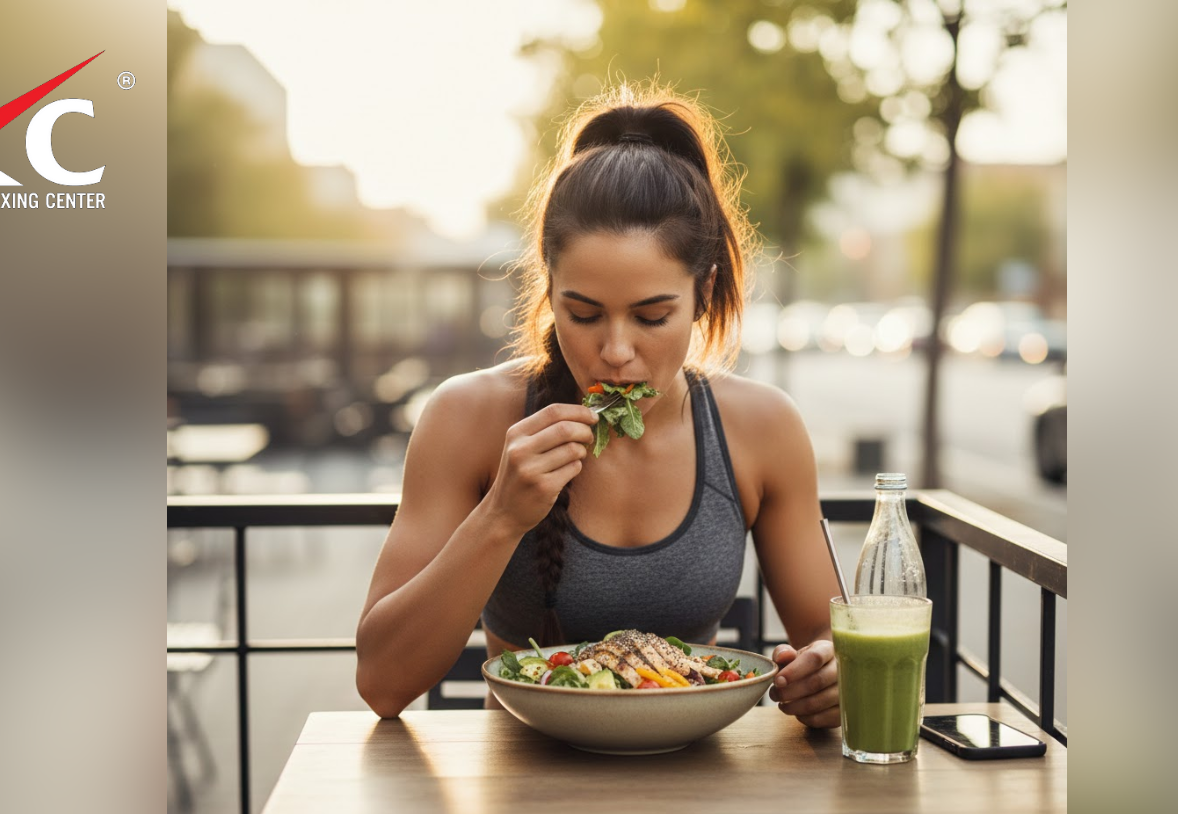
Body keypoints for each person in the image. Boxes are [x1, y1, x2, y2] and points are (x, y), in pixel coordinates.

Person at [355, 85, 842, 727]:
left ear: (705, 291)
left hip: (703, 790)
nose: (615, 351)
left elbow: (830, 641)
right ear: (549, 288)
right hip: (522, 788)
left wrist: (830, 676)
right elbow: (382, 685)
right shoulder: (467, 416)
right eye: (582, 314)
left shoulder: (761, 427)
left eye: (652, 316)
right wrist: (501, 515)